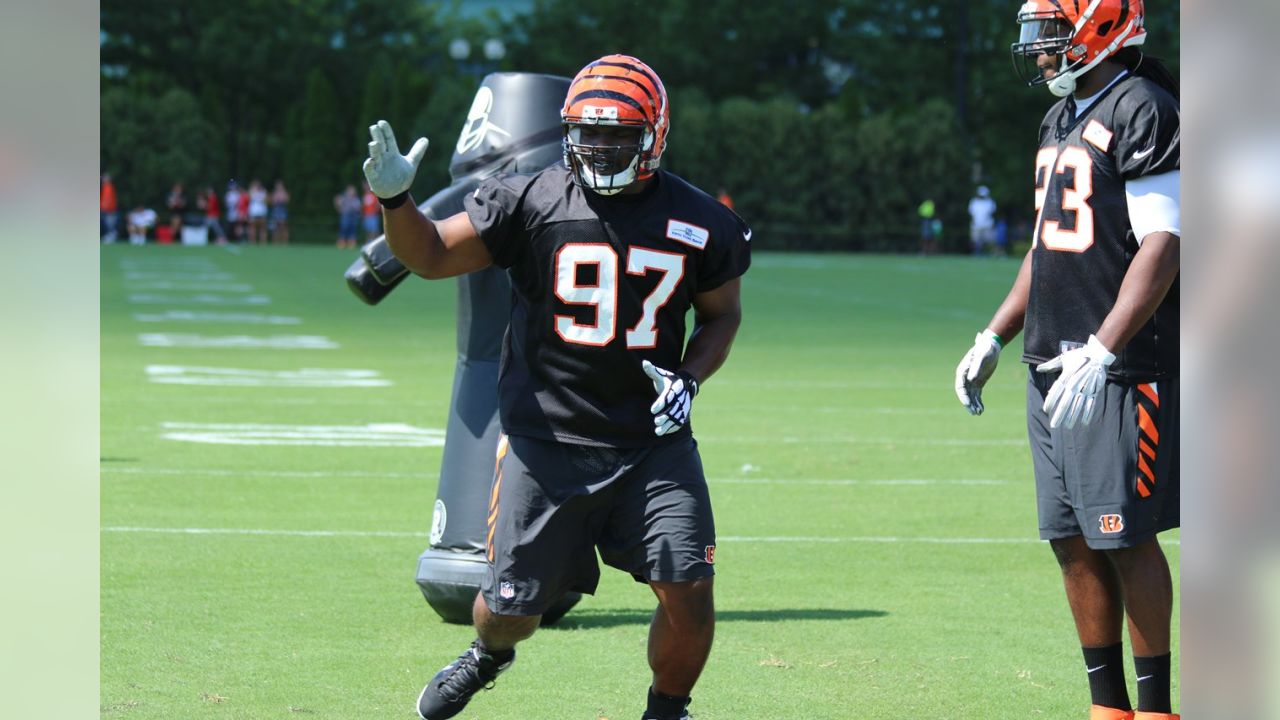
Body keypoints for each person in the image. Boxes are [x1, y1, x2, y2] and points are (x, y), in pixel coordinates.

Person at [364, 54, 749, 720]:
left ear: (654, 134)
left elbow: (721, 316)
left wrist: (689, 377)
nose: (600, 147)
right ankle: (488, 656)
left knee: (689, 589)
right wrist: (396, 200)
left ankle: (668, 709)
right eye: (587, 132)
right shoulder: (530, 197)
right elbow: (427, 255)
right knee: (508, 613)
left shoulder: (700, 220)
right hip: (547, 442)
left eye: (618, 134)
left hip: (652, 444)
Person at [954, 3, 1180, 719]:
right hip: (1051, 358)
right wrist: (993, 336)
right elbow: (1046, 248)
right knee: (1070, 540)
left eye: (1050, 36)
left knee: (1125, 536)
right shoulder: (1058, 118)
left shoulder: (1144, 106)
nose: (1039, 51)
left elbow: (1164, 244)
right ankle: (1105, 706)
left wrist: (1105, 347)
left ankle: (1156, 709)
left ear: (1101, 27)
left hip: (1118, 364)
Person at [968, 185, 997, 255]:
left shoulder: (990, 202)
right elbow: (971, 213)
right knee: (976, 240)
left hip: (987, 224)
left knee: (989, 240)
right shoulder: (974, 202)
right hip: (976, 225)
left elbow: (992, 213)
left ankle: (988, 253)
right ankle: (977, 253)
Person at [334, 185, 361, 249]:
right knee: (344, 229)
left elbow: (358, 208)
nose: (352, 192)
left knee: (352, 230)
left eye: (353, 190)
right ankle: (342, 243)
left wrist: (358, 213)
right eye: (351, 190)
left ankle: (351, 243)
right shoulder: (344, 198)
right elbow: (337, 201)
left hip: (353, 216)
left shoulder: (355, 199)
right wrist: (338, 208)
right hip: (345, 215)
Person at [247, 179, 268, 244]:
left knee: (262, 228)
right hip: (253, 212)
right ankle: (252, 242)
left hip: (262, 212)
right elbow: (249, 198)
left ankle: (263, 242)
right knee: (252, 227)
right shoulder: (251, 192)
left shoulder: (263, 192)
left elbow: (266, 200)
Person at [270, 180, 290, 245]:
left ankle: (284, 242)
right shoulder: (274, 193)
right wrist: (277, 200)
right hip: (276, 210)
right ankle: (275, 242)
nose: (279, 187)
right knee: (275, 227)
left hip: (282, 210)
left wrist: (281, 199)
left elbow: (286, 200)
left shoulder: (284, 192)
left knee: (283, 226)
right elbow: (272, 201)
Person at [100, 173, 119, 242]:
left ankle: (111, 236)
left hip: (109, 209)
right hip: (108, 208)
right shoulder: (106, 186)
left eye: (105, 178)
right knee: (107, 223)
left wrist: (104, 206)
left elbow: (107, 198)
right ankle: (109, 235)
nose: (103, 179)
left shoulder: (108, 186)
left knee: (109, 223)